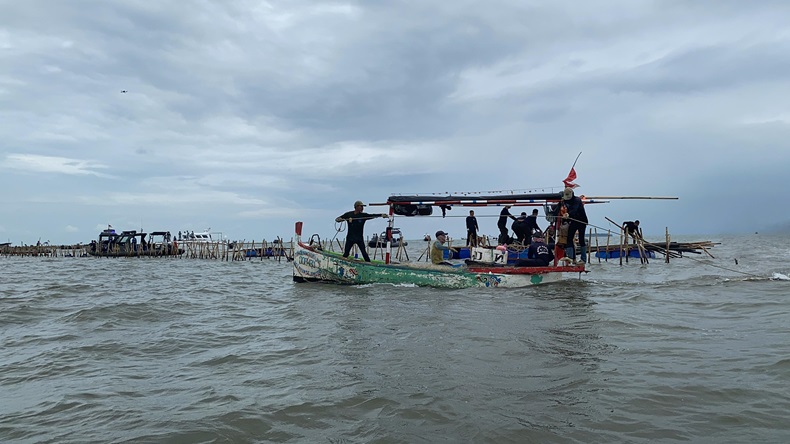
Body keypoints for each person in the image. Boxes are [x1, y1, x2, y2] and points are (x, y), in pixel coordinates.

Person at [561, 187, 589, 263]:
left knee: (581, 239)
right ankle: (571, 257)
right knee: (569, 238)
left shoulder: (577, 200)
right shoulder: (564, 200)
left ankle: (583, 259)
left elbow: (574, 209)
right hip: (573, 221)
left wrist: (568, 214)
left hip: (581, 221)